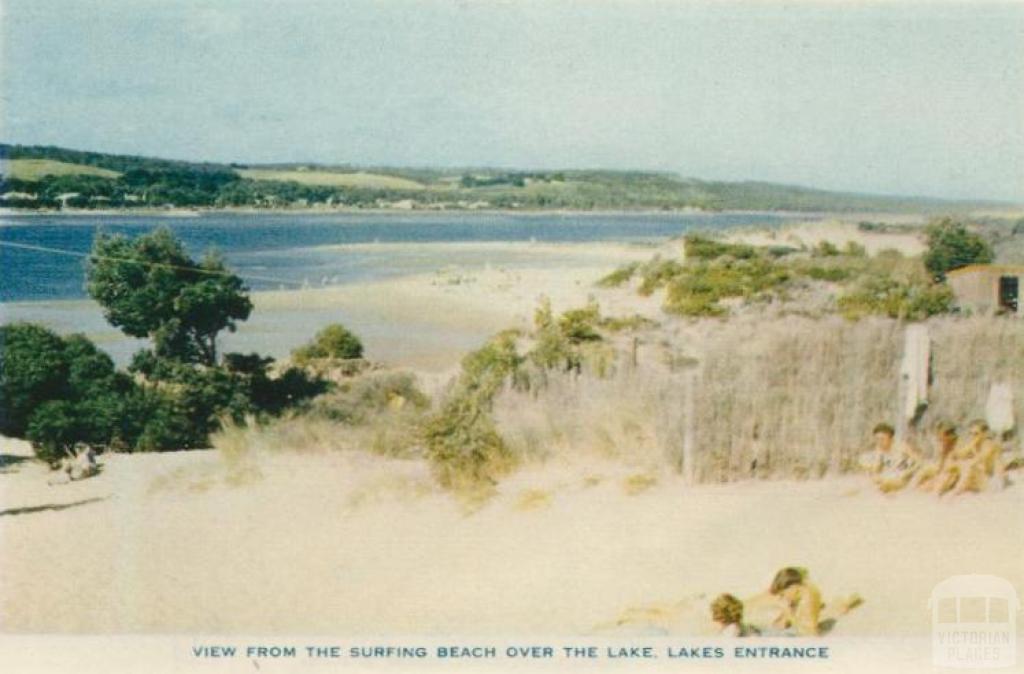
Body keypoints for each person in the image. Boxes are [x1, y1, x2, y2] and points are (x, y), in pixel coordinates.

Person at [860, 422, 921, 493]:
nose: (879, 442)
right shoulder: (879, 450)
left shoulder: (902, 447)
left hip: (905, 476)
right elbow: (876, 470)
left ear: (891, 438)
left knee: (885, 484)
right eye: (877, 439)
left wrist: (907, 473)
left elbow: (919, 462)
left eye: (882, 439)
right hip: (890, 476)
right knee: (868, 482)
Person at [768, 567, 823, 636]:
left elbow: (812, 634)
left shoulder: (808, 599)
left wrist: (789, 614)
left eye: (783, 594)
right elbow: (780, 625)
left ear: (793, 587)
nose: (783, 598)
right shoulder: (798, 596)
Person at [915, 421, 959, 494]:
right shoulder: (945, 449)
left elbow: (955, 469)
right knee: (924, 475)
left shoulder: (957, 449)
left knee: (941, 478)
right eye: (939, 437)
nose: (939, 439)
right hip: (943, 475)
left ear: (950, 436)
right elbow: (939, 468)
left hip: (952, 478)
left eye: (941, 436)